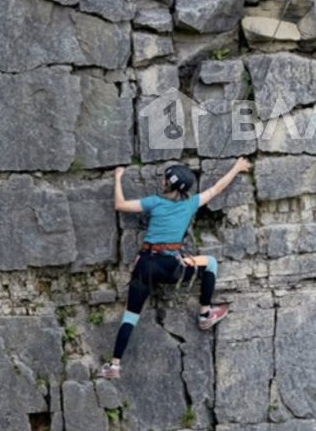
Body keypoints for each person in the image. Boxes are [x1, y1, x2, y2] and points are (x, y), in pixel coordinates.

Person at [98, 157, 253, 380]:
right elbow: (217, 188)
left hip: (144, 266)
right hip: (171, 268)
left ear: (168, 184)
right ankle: (205, 314)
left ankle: (114, 365)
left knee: (130, 317)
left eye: (164, 179)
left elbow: (120, 205)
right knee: (210, 263)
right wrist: (237, 168)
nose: (162, 181)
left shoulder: (154, 202)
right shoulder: (190, 204)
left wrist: (118, 177)